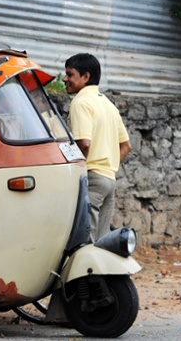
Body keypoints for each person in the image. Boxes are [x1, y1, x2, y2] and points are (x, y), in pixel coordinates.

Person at [63, 53, 131, 241]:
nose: (64, 79)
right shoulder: (108, 105)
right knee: (101, 242)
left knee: (85, 242)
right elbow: (126, 146)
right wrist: (108, 169)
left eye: (70, 74)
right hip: (108, 180)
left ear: (85, 77)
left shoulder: (80, 102)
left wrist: (77, 170)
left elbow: (84, 143)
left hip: (91, 178)